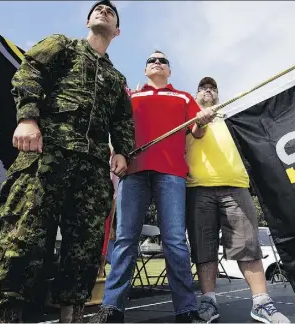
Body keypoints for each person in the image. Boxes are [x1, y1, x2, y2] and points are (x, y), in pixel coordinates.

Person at [0, 1, 134, 322]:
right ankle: (7, 317)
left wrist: (122, 150)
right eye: (98, 9)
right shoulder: (62, 45)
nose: (104, 10)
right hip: (47, 155)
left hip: (92, 169)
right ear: (87, 20)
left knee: (84, 250)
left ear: (117, 31)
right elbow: (30, 72)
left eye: (111, 12)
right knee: (24, 239)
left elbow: (122, 120)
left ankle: (72, 316)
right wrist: (27, 118)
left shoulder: (115, 77)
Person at [90, 51, 215, 323]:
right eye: (151, 60)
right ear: (146, 70)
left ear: (169, 71)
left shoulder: (183, 97)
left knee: (174, 242)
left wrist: (203, 122)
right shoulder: (131, 97)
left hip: (171, 173)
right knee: (125, 241)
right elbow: (116, 128)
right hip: (133, 173)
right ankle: (112, 309)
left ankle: (186, 310)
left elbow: (196, 131)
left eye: (162, 61)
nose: (157, 63)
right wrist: (118, 154)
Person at [185, 77, 291, 323]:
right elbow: (197, 133)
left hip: (236, 187)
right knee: (204, 248)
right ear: (196, 94)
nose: (208, 91)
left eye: (212, 88)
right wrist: (200, 121)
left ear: (218, 95)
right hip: (199, 189)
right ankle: (209, 301)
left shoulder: (230, 119)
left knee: (248, 246)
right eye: (203, 88)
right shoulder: (189, 117)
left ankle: (261, 303)